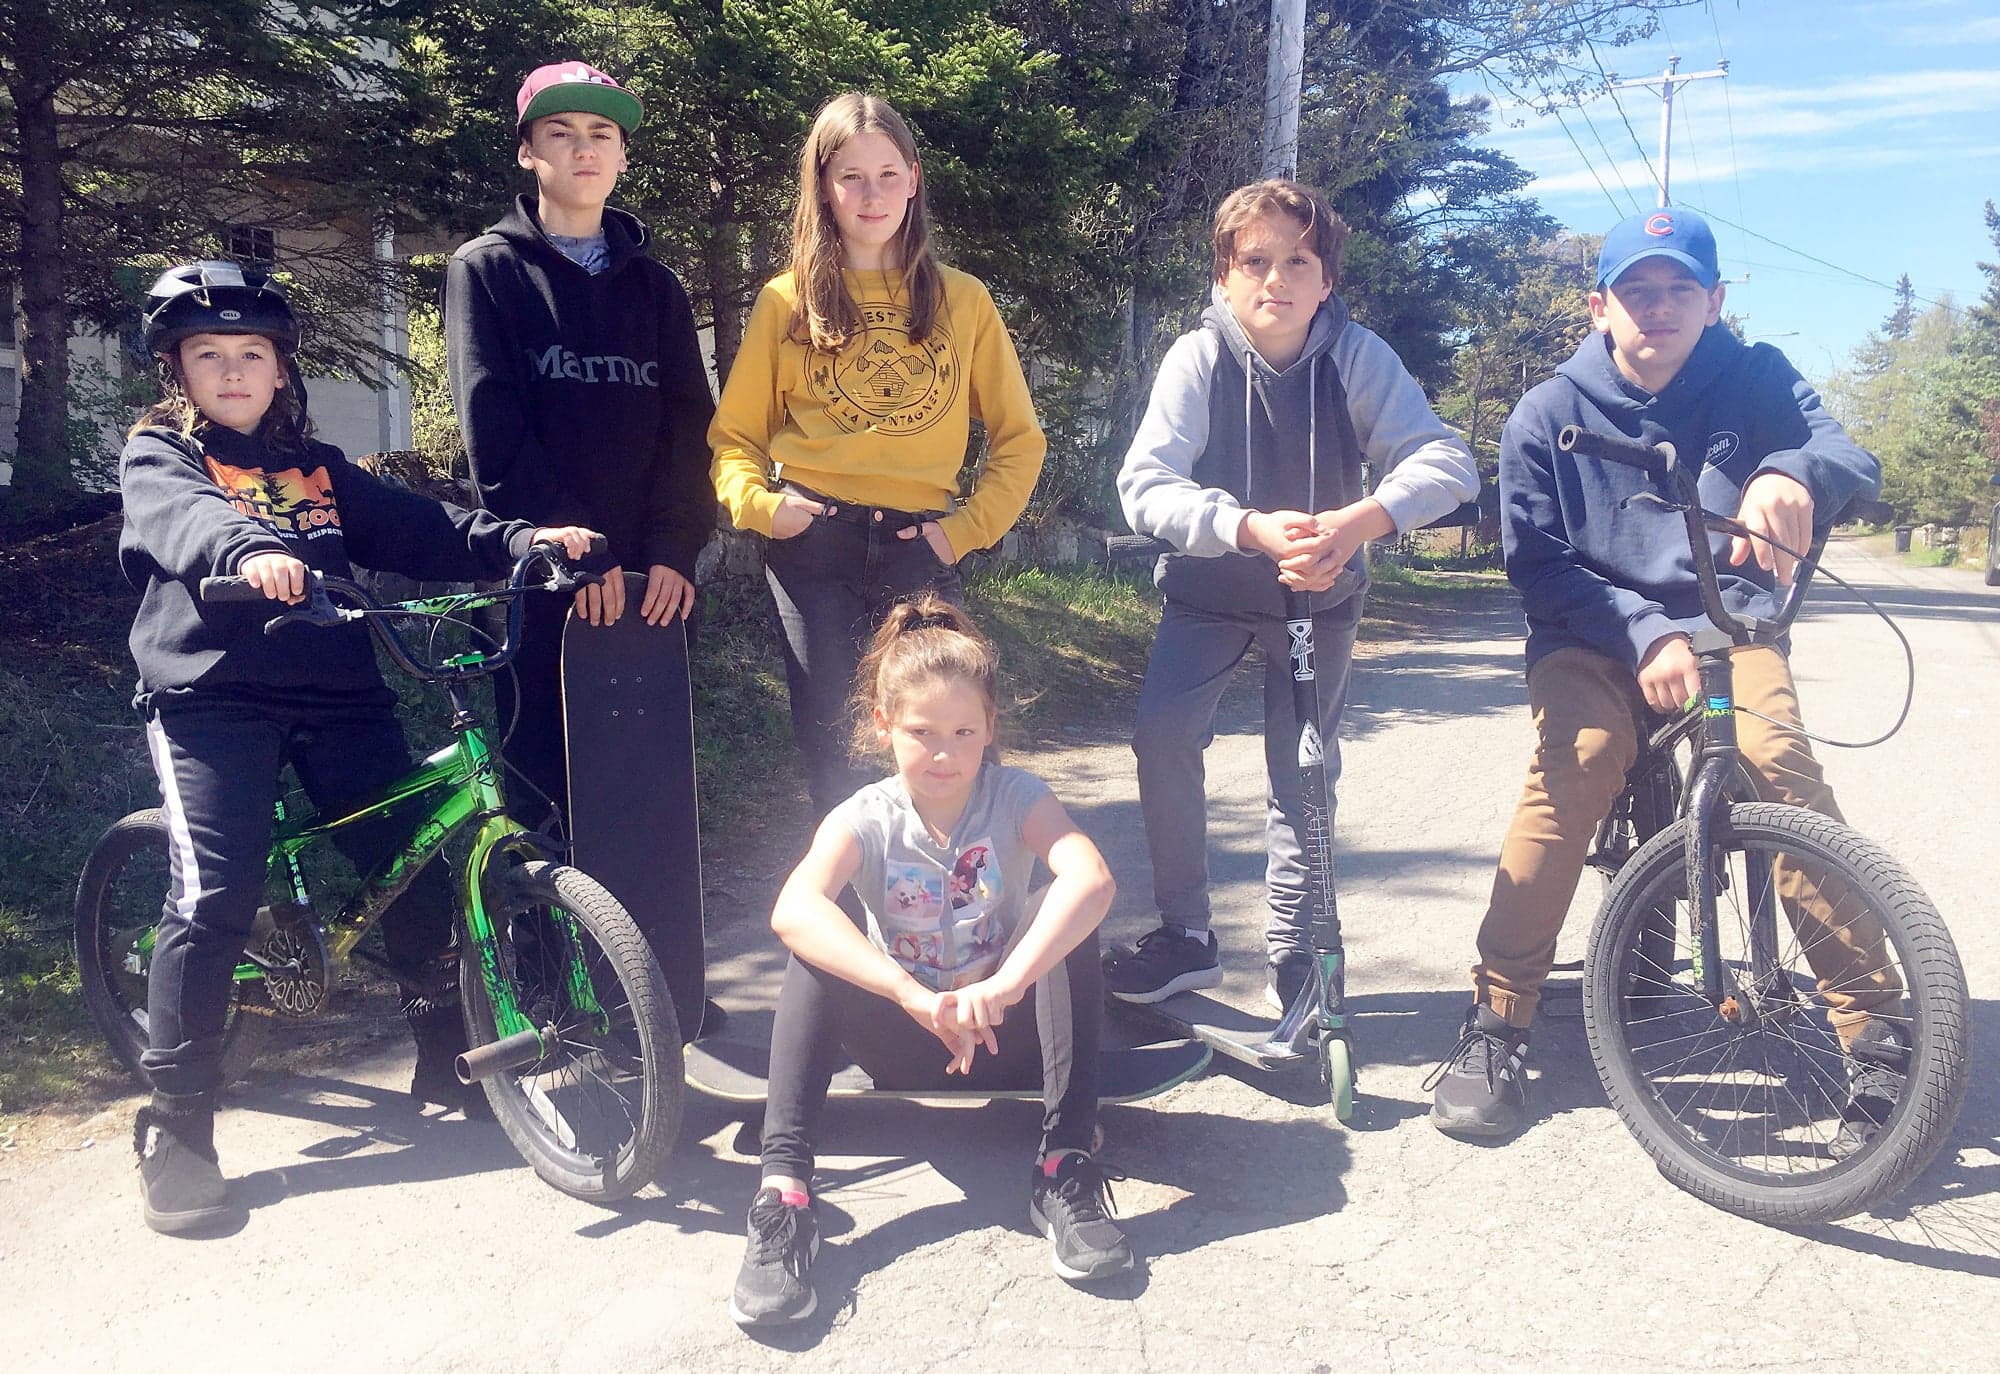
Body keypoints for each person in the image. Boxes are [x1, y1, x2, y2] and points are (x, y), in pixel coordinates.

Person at [118, 261, 599, 1235]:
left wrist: (517, 540)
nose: (233, 370)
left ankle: (444, 1052)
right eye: (209, 356)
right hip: (215, 696)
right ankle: (177, 1121)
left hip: (339, 689)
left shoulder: (321, 468)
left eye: (250, 353)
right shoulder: (161, 457)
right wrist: (251, 552)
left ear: (280, 366)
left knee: (414, 858)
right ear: (180, 369)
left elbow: (420, 526)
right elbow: (191, 520)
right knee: (212, 895)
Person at [1426, 206, 1899, 1142]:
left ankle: (1877, 1030)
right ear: (1599, 305)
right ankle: (1498, 1018)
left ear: (1716, 300)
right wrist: (1643, 631)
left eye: (1680, 288)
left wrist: (1796, 471)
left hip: (1728, 625)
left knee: (1777, 766)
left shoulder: (1756, 376)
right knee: (1579, 762)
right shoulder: (1547, 412)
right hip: (1594, 634)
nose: (1658, 307)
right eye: (1636, 290)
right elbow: (1537, 563)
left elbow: (1852, 453)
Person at [1107, 179, 1478, 1011]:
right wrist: (1243, 527)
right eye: (1255, 261)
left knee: (1301, 770)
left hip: (1320, 598)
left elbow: (1447, 461)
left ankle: (1297, 951)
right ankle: (1186, 936)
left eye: (1297, 261)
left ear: (1327, 281)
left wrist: (1359, 522)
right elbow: (1144, 485)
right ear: (1223, 277)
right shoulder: (1197, 356)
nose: (1276, 279)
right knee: (1162, 735)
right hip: (1208, 590)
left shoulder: (1358, 355)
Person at [729, 596, 1127, 1327]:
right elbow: (791, 908)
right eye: (921, 732)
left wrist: (1006, 985)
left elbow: (1092, 878)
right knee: (823, 926)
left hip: (1010, 1037)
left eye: (963, 732)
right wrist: (907, 992)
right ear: (883, 726)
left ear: (990, 730)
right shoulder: (866, 815)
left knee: (1064, 914)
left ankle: (1064, 1166)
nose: (943, 754)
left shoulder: (1017, 796)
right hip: (903, 1038)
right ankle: (783, 1194)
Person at [709, 92, 1045, 817]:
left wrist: (962, 531)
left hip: (919, 549)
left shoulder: (966, 301)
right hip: (813, 552)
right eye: (851, 177)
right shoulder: (785, 301)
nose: (871, 195)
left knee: (951, 758)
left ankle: (956, 929)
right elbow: (734, 439)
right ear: (822, 187)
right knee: (838, 770)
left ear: (915, 179)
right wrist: (766, 510)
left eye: (887, 175)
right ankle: (839, 932)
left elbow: (1020, 440)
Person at [445, 61, 716, 828]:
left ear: (623, 157)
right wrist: (574, 557)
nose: (583, 149)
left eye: (601, 134)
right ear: (529, 151)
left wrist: (673, 552)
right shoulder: (485, 271)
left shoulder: (656, 289)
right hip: (546, 582)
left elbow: (690, 430)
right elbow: (492, 434)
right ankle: (539, 947)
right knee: (547, 804)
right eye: (561, 133)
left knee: (643, 814)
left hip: (651, 589)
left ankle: (634, 956)